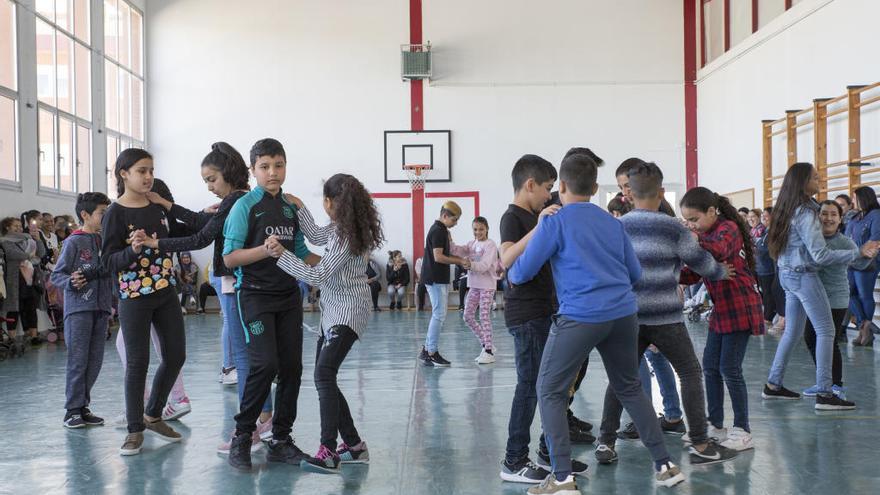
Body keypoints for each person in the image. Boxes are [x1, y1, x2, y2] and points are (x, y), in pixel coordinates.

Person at [509, 154, 685, 494]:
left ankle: (561, 479)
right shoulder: (613, 222)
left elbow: (521, 272)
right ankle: (665, 464)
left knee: (549, 391)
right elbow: (634, 274)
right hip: (622, 315)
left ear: (560, 186)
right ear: (594, 188)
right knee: (630, 387)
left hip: (580, 317)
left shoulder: (555, 221)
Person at [597, 162, 737, 466]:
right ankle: (699, 442)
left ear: (629, 194)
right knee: (689, 373)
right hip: (667, 319)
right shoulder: (673, 227)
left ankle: (606, 442)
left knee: (620, 379)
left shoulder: (616, 227)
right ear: (661, 192)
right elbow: (700, 262)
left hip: (627, 317)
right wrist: (719, 271)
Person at [272, 174, 383, 474]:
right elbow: (318, 235)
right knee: (327, 377)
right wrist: (300, 209)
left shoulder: (347, 236)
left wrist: (282, 255)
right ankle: (355, 446)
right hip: (333, 312)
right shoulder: (342, 227)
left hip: (348, 311)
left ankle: (328, 451)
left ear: (331, 203)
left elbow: (319, 276)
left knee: (323, 374)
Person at [222, 138, 318, 471]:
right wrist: (266, 250)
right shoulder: (244, 206)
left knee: (292, 368)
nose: (272, 172)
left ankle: (281, 440)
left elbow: (304, 253)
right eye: (265, 167)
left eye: (278, 165)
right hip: (255, 297)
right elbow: (230, 258)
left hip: (289, 296)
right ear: (254, 170)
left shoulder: (293, 206)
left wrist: (343, 262)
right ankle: (242, 436)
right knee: (264, 365)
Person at [763, 162, 876, 410]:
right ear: (803, 183)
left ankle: (773, 384)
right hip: (803, 276)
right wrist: (857, 252)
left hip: (787, 275)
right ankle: (825, 393)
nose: (820, 179)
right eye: (815, 177)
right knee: (826, 331)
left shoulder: (790, 207)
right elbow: (821, 256)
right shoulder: (804, 213)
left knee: (793, 331)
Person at [101, 148, 186, 456]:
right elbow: (109, 260)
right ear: (124, 174)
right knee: (137, 364)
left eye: (151, 170)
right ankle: (135, 429)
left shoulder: (157, 206)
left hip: (165, 291)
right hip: (134, 296)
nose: (149, 176)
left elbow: (179, 235)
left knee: (176, 355)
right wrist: (132, 252)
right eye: (142, 171)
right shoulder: (115, 213)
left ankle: (153, 413)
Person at [51, 192, 113, 429]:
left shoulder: (105, 241)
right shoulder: (73, 242)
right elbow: (57, 274)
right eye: (102, 213)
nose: (105, 218)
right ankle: (72, 410)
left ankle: (83, 406)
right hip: (78, 310)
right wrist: (70, 282)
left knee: (94, 361)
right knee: (78, 361)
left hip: (102, 309)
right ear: (85, 215)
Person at [801, 200, 860, 397]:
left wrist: (868, 253)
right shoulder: (811, 239)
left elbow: (861, 261)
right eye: (824, 213)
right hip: (814, 297)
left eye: (833, 214)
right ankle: (823, 381)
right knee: (810, 338)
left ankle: (836, 385)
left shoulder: (845, 242)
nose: (828, 218)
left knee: (828, 340)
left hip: (835, 298)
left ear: (840, 219)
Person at [418, 201, 471, 367]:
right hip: (435, 278)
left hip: (436, 277)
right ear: (445, 216)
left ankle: (427, 349)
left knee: (438, 314)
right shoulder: (438, 231)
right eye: (454, 220)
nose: (456, 223)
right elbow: (438, 257)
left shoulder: (441, 230)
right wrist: (460, 261)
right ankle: (431, 352)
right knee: (439, 314)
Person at [844, 186, 880, 346]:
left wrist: (862, 252)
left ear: (863, 198)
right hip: (852, 260)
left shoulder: (876, 215)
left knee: (864, 295)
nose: (852, 201)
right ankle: (864, 326)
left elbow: (875, 239)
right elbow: (846, 237)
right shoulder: (856, 217)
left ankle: (864, 332)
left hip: (867, 262)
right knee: (848, 293)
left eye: (854, 198)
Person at [462, 216, 500, 364]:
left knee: (484, 316)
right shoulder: (471, 244)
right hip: (474, 285)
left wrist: (469, 265)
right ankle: (486, 344)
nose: (478, 232)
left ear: (487, 229)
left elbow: (484, 265)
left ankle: (489, 351)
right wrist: (449, 244)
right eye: (475, 229)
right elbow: (461, 250)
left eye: (481, 229)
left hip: (487, 286)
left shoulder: (490, 245)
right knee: (467, 316)